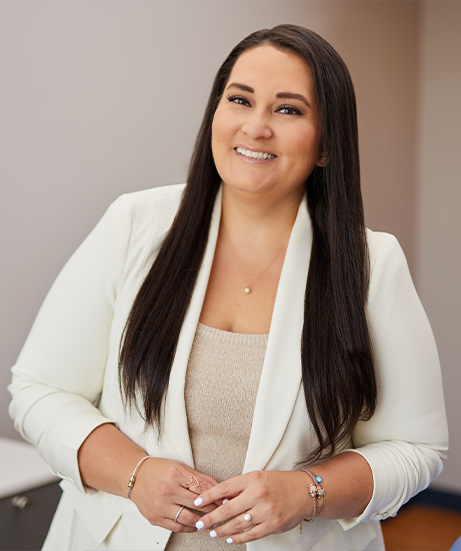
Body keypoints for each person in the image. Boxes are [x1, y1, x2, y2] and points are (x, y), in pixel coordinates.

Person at [8, 24, 448, 551]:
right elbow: (39, 390)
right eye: (240, 100)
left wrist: (306, 491)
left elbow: (416, 448)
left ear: (327, 143)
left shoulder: (372, 264)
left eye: (288, 110)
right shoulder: (135, 225)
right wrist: (135, 474)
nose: (256, 127)